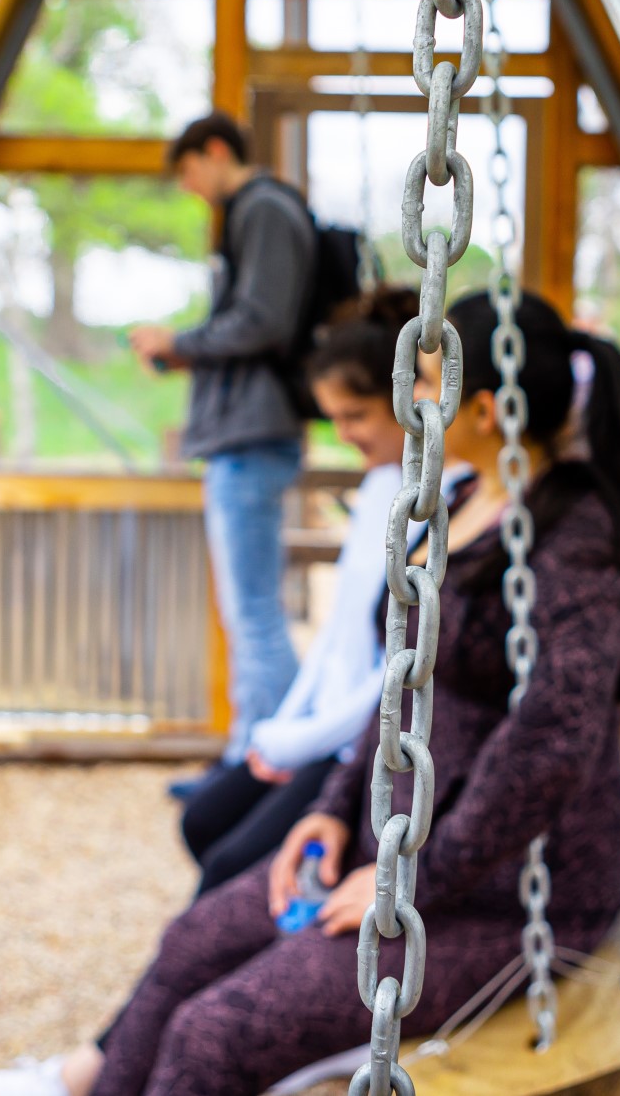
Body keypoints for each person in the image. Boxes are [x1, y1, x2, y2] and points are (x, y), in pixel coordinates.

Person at [0, 291, 620, 1096]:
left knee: (213, 1034)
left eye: (425, 382)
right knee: (192, 940)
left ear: (487, 409)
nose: (410, 403)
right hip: (396, 844)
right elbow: (399, 688)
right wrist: (331, 806)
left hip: (497, 893)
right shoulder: (462, 502)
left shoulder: (577, 535)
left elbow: (550, 746)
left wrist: (413, 882)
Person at [178, 289, 423, 895]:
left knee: (227, 865)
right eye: (333, 419)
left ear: (406, 400)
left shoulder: (426, 507)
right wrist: (281, 730)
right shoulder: (376, 491)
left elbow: (401, 670)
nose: (343, 434)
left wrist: (300, 742)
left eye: (356, 417)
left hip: (358, 745)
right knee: (202, 820)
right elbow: (338, 631)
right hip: (323, 731)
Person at [129, 113, 316, 787]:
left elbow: (262, 320)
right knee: (251, 610)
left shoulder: (262, 208)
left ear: (213, 152)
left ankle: (260, 762)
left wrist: (180, 342)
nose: (191, 188)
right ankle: (266, 751)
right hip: (246, 431)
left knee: (254, 611)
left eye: (188, 172)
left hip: (250, 433)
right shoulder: (259, 212)